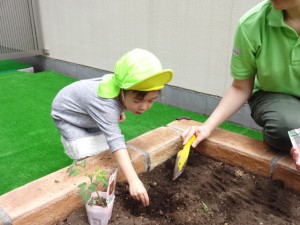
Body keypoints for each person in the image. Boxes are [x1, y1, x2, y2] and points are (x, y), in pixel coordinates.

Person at [181, 0, 300, 171]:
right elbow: (240, 87)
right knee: (284, 129)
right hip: (273, 96)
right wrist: (206, 127)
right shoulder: (251, 24)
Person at [51, 48, 173, 206]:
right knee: (86, 154)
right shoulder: (106, 105)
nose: (144, 106)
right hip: (68, 118)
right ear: (122, 91)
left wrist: (116, 113)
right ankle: (79, 163)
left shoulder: (116, 88)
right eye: (137, 100)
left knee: (104, 152)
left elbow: (110, 109)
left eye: (151, 100)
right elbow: (115, 139)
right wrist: (134, 180)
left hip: (87, 114)